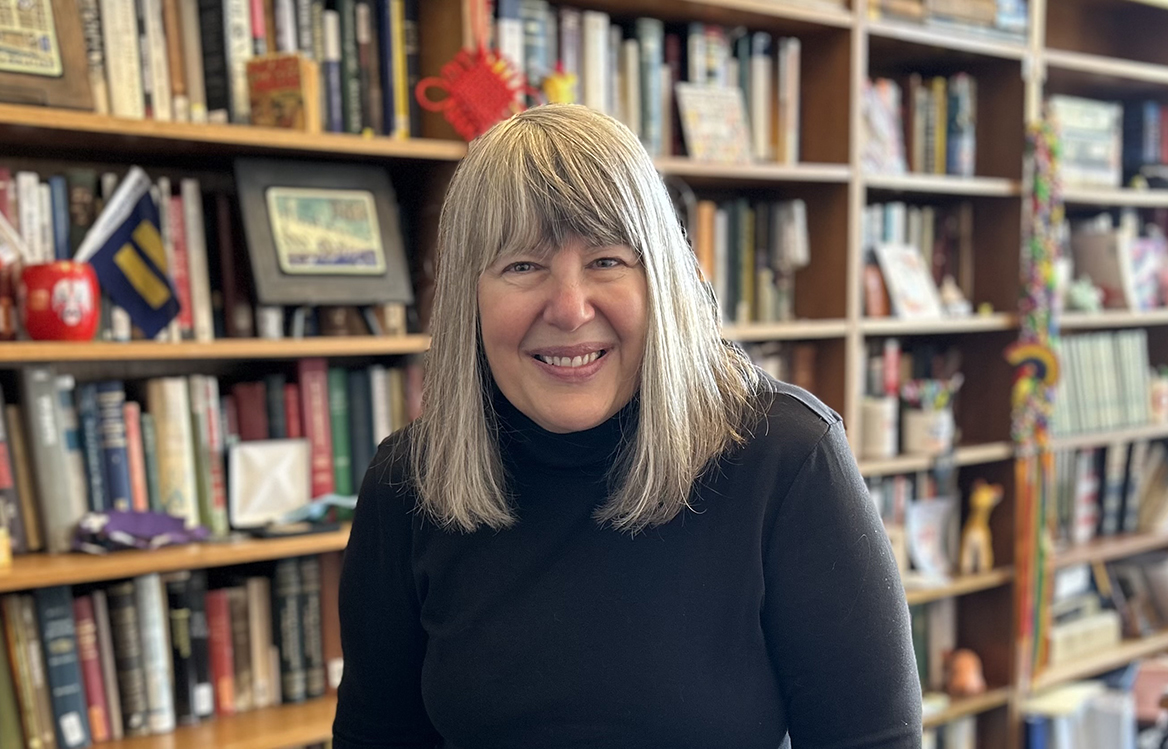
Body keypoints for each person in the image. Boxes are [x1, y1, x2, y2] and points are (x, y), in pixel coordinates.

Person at [333, 104, 922, 748]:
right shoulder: (407, 485)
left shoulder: (787, 458)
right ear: (467, 299)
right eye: (521, 266)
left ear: (662, 283)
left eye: (607, 260)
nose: (568, 308)